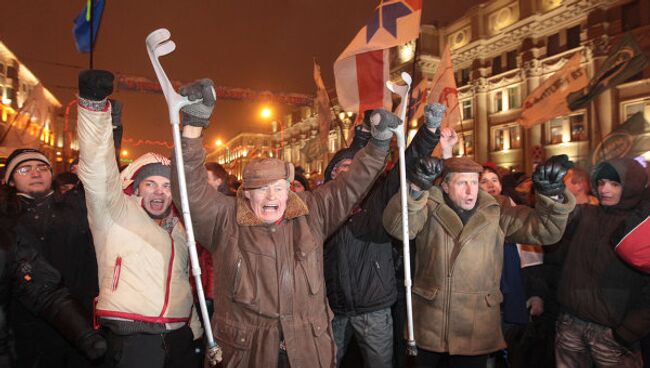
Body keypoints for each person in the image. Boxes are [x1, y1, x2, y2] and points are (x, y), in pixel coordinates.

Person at [172, 78, 399, 367]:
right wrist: (192, 126)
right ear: (246, 193)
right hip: (249, 353)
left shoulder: (311, 212)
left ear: (288, 189)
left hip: (306, 350)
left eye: (279, 188)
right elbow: (188, 189)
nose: (271, 196)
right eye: (261, 189)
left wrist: (379, 145)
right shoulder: (225, 219)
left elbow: (351, 185)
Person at [382, 155, 575, 368]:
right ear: (445, 186)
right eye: (462, 183)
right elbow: (399, 228)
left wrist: (550, 195)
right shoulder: (427, 205)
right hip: (430, 322)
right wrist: (416, 188)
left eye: (474, 182)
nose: (470, 190)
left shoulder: (497, 209)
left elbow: (544, 231)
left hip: (475, 324)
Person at [75, 70, 202, 368]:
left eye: (167, 185)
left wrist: (195, 333)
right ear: (135, 187)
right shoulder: (114, 212)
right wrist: (94, 109)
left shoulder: (180, 228)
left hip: (180, 340)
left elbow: (182, 280)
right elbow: (97, 166)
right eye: (150, 184)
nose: (159, 192)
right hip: (134, 342)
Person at [323, 104, 450, 368]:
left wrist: (429, 132)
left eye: (352, 167)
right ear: (330, 176)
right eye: (340, 168)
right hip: (332, 311)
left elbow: (405, 166)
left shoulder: (375, 205)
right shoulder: (320, 211)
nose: (347, 172)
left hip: (374, 309)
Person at [1, 148, 99, 368]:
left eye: (42, 168)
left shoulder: (76, 207)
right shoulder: (5, 221)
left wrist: (109, 124)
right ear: (10, 181)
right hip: (28, 336)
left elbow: (99, 172)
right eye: (25, 169)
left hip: (82, 328)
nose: (36, 173)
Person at [552, 158, 650, 367]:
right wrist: (551, 191)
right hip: (570, 325)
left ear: (631, 186)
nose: (605, 189)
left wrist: (627, 331)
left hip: (611, 335)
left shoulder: (640, 229)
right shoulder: (586, 214)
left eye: (615, 184)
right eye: (601, 182)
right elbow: (551, 224)